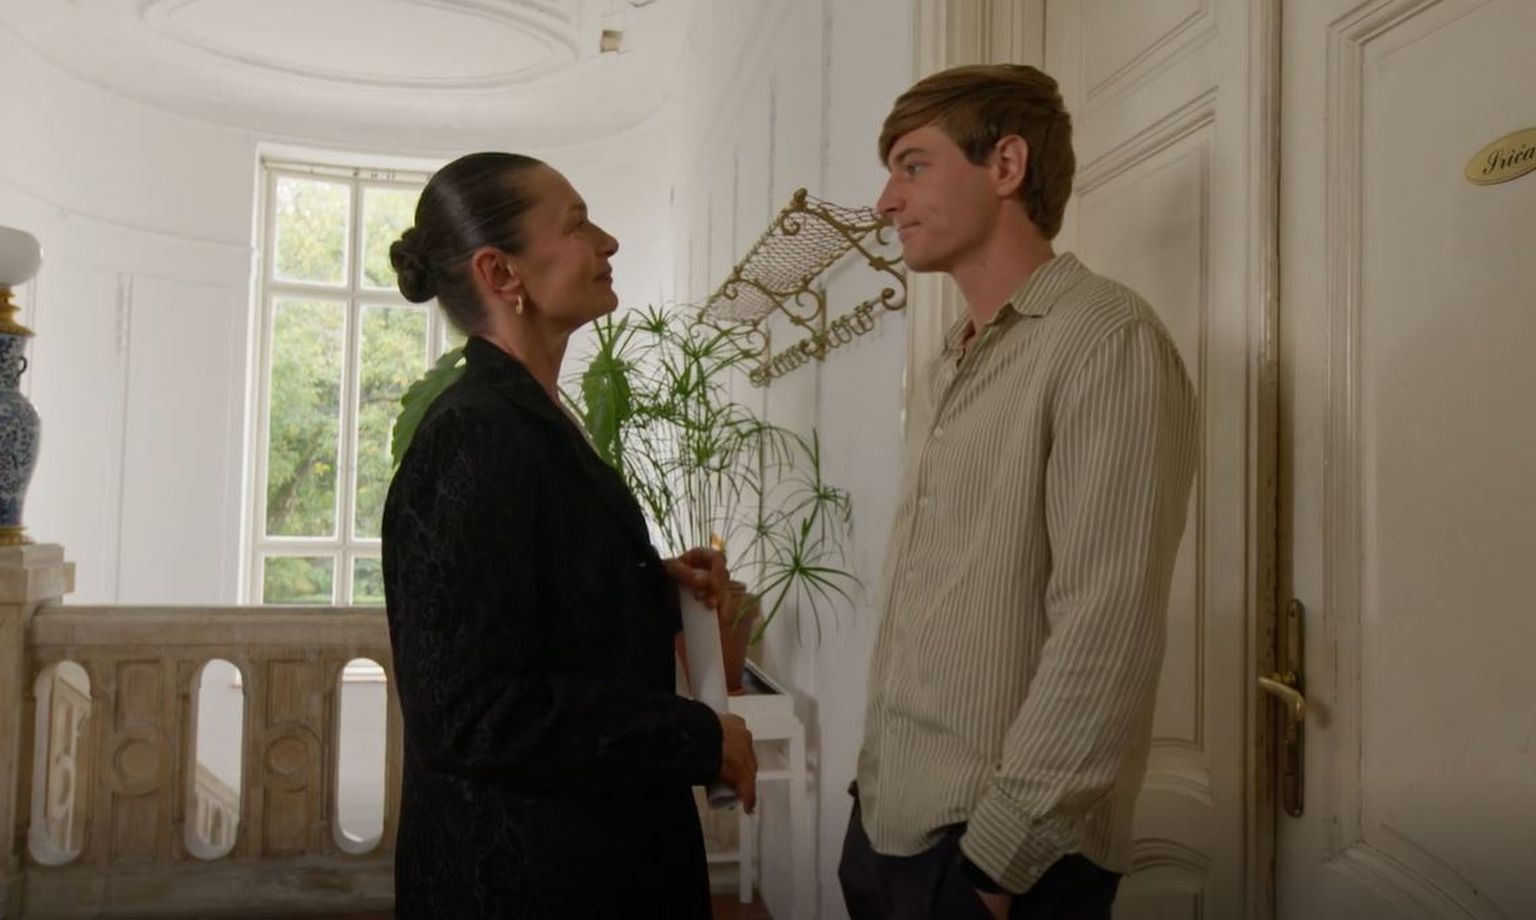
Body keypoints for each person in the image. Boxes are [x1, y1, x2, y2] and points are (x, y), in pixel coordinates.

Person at [839, 65, 1198, 920]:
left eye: (912, 166)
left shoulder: (1106, 339)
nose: (886, 201)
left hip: (999, 858)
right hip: (890, 822)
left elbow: (1106, 626)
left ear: (1005, 165)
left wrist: (995, 867)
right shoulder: (953, 358)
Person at [381, 152, 757, 920]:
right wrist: (694, 738)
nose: (607, 241)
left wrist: (647, 585)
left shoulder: (530, 420)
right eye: (578, 224)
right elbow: (470, 714)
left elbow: (529, 614)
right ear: (501, 272)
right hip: (525, 879)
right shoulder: (473, 435)